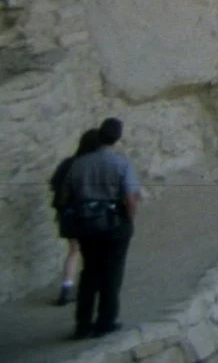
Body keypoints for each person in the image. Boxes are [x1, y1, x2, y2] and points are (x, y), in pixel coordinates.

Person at [62, 117, 140, 340]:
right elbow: (130, 198)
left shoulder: (79, 164)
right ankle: (105, 322)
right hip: (114, 223)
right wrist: (130, 220)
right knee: (112, 274)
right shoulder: (120, 163)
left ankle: (83, 324)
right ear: (117, 138)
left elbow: (67, 194)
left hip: (86, 224)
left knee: (89, 274)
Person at [49, 128, 98, 307]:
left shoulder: (68, 163)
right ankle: (90, 287)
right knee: (93, 252)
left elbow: (53, 185)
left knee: (73, 251)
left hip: (67, 215)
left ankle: (66, 289)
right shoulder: (90, 165)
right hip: (87, 214)